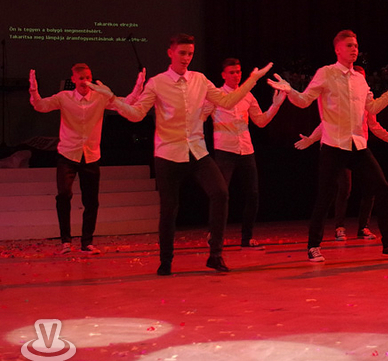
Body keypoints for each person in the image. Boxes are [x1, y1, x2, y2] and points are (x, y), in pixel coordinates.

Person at [90, 34, 273, 275]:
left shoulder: (200, 80)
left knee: (220, 193)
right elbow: (137, 114)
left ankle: (215, 255)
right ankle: (166, 261)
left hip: (197, 151)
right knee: (169, 209)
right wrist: (112, 99)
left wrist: (252, 80)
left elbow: (228, 101)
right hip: (168, 153)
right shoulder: (157, 83)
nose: (186, 58)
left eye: (190, 54)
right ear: (171, 53)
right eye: (182, 53)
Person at [267, 30, 388, 262]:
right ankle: (313, 246)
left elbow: (373, 108)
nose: (354, 49)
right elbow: (304, 101)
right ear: (337, 49)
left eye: (356, 45)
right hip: (334, 146)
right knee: (325, 197)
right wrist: (290, 91)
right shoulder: (326, 73)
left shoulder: (360, 79)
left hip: (358, 145)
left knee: (382, 188)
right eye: (349, 45)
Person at [29, 63, 145, 255]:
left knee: (91, 201)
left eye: (88, 78)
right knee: (64, 194)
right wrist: (34, 91)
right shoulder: (64, 97)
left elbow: (125, 103)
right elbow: (41, 106)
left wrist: (138, 87)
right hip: (68, 154)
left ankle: (87, 242)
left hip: (90, 155)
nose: (85, 82)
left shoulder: (100, 97)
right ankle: (66, 241)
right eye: (81, 78)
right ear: (73, 79)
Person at [295, 66, 388, 242]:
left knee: (376, 187)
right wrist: (311, 139)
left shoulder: (364, 97)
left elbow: (375, 123)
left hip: (359, 148)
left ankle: (368, 230)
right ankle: (336, 229)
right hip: (338, 147)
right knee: (340, 189)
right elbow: (324, 122)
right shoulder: (339, 93)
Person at [202, 58, 286, 250]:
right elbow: (201, 117)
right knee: (220, 194)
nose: (236, 75)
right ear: (223, 75)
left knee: (253, 195)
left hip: (246, 150)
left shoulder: (247, 96)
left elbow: (261, 122)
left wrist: (275, 105)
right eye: (231, 72)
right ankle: (214, 234)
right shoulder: (216, 95)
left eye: (238, 72)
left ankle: (247, 238)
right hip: (225, 150)